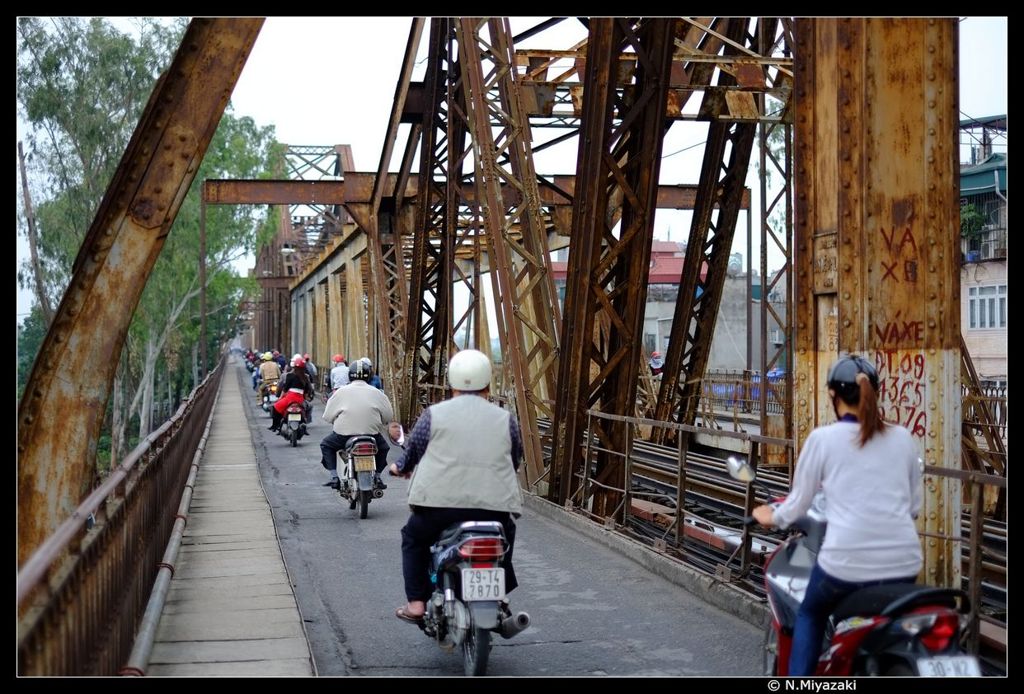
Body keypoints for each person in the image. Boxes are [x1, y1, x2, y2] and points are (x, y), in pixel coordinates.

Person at [751, 354, 922, 676]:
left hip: (845, 565)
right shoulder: (903, 439)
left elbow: (797, 506)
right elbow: (913, 508)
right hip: (905, 564)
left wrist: (768, 517)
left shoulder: (823, 439)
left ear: (833, 395)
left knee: (810, 613)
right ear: (875, 392)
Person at [389, 349, 523, 624]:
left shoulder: (433, 415)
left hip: (439, 505)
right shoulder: (505, 418)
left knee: (413, 538)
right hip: (493, 507)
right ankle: (498, 592)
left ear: (451, 383)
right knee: (504, 537)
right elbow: (515, 457)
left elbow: (413, 449)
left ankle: (416, 604)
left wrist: (400, 467)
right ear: (488, 383)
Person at [320, 359, 393, 490]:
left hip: (344, 436)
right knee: (383, 448)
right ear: (369, 375)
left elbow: (327, 417)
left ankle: (334, 477)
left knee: (326, 445)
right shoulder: (377, 393)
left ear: (350, 375)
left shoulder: (340, 392)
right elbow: (388, 416)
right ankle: (377, 476)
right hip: (371, 436)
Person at [270, 357, 314, 432]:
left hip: (290, 397)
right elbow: (307, 390)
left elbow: (285, 389)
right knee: (308, 407)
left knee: (275, 407)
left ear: (294, 367)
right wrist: (308, 397)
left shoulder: (289, 376)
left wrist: (280, 398)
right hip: (300, 399)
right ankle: (305, 424)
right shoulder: (305, 377)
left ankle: (275, 426)